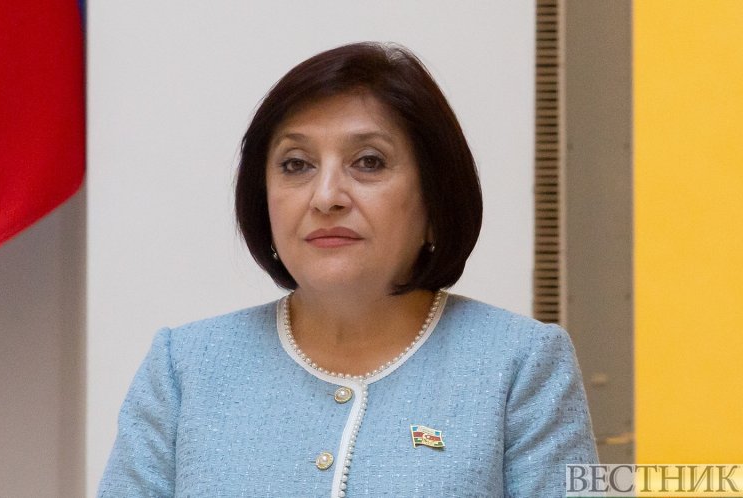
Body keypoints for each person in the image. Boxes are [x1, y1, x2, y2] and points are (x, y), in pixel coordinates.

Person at [99, 42, 598, 497]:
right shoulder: (184, 367)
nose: (326, 197)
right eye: (296, 164)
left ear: (434, 197)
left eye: (369, 162)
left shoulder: (522, 364)